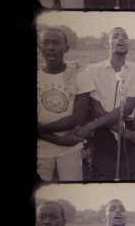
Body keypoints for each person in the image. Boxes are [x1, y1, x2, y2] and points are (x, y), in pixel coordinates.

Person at [75, 27, 135, 180]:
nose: (121, 39)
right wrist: (128, 135)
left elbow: (127, 109)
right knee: (103, 175)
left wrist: (90, 126)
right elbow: (96, 110)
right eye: (116, 36)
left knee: (129, 176)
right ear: (107, 44)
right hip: (104, 133)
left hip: (129, 126)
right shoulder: (93, 70)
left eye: (125, 37)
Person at [37, 27, 90, 181]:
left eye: (57, 43)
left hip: (70, 148)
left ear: (66, 48)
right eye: (46, 43)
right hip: (41, 150)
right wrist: (59, 140)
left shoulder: (79, 76)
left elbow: (75, 119)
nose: (51, 48)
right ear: (40, 46)